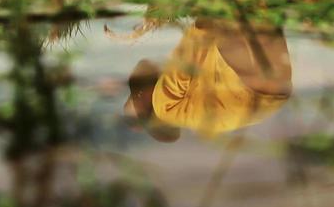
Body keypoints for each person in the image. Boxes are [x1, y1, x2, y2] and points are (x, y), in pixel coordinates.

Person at [123, 18, 293, 143]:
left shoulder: (188, 110)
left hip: (274, 93)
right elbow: (195, 42)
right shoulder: (163, 107)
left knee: (256, 4)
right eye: (137, 91)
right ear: (145, 96)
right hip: (250, 85)